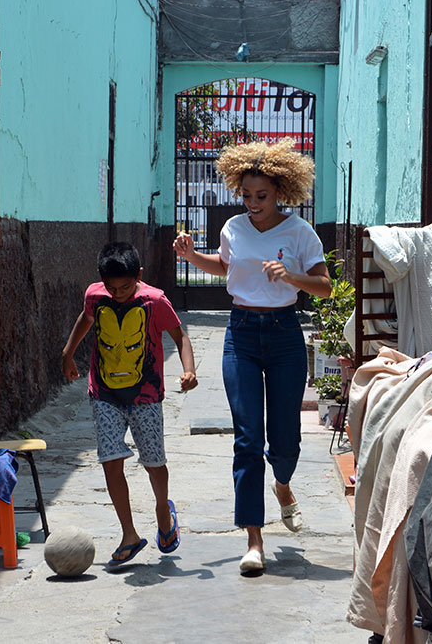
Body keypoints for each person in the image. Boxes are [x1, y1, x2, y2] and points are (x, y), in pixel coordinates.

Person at [173, 138, 331, 573]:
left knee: (285, 441)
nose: (253, 203)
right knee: (247, 439)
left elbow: (325, 286)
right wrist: (192, 256)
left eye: (261, 196)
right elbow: (226, 267)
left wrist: (292, 276)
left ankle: (282, 484)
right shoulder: (233, 229)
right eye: (246, 196)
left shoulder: (299, 232)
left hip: (284, 336)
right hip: (240, 334)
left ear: (280, 192)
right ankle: (254, 539)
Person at [62, 241, 198, 565]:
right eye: (112, 287)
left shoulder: (155, 300)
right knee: (111, 460)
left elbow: (180, 336)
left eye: (125, 286)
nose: (118, 293)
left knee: (153, 462)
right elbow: (86, 317)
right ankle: (129, 533)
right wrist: (68, 353)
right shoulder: (96, 296)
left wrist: (189, 370)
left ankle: (163, 510)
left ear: (139, 275)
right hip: (104, 393)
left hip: (145, 396)